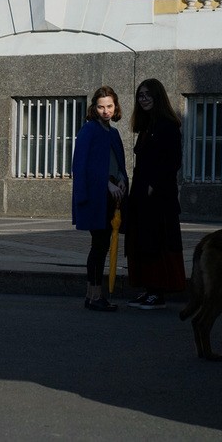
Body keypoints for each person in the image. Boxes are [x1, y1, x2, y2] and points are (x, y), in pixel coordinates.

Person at [124, 78, 186, 310]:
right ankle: (149, 288)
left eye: (148, 95)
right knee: (143, 241)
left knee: (158, 242)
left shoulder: (168, 125)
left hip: (159, 196)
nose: (144, 99)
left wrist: (154, 185)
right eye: (140, 95)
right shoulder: (146, 126)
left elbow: (173, 162)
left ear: (158, 97)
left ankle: (158, 292)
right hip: (141, 193)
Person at [72, 86, 129, 312]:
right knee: (99, 246)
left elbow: (119, 162)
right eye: (101, 107)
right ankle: (95, 295)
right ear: (94, 108)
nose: (106, 111)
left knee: (102, 245)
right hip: (97, 197)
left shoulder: (112, 133)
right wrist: (106, 183)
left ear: (115, 107)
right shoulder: (89, 129)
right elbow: (81, 164)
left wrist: (123, 179)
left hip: (112, 196)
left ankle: (91, 295)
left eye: (109, 106)